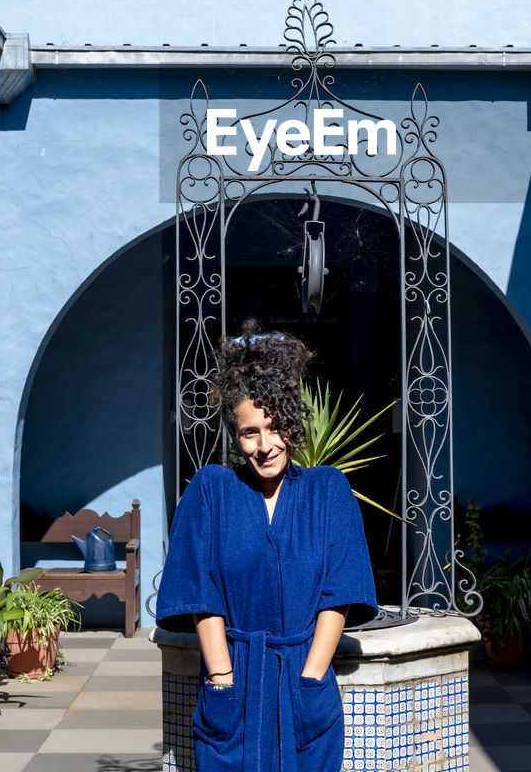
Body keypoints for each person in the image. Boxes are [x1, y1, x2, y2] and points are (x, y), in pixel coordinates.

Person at [156, 321, 377, 772]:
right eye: (250, 432)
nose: (265, 445)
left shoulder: (328, 490)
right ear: (235, 437)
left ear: (293, 425)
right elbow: (201, 592)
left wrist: (311, 677)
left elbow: (340, 595)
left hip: (304, 685)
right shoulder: (212, 489)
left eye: (275, 428)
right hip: (234, 683)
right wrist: (222, 679)